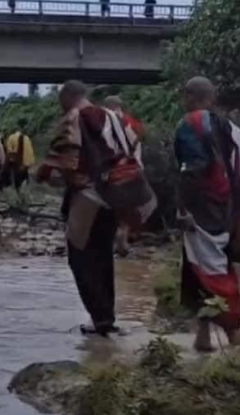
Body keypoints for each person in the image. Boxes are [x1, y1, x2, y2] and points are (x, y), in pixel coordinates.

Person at [37, 81, 157, 337]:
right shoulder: (118, 118)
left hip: (89, 197)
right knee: (103, 256)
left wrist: (44, 174)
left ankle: (100, 318)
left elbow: (65, 160)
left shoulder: (74, 117)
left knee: (80, 257)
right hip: (117, 198)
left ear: (67, 97)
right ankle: (107, 317)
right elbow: (135, 149)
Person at [174, 77, 240, 352]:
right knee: (197, 269)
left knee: (212, 271)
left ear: (189, 95)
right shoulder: (228, 127)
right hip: (228, 209)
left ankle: (237, 341)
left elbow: (192, 169)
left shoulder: (191, 122)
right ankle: (204, 337)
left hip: (203, 211)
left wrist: (183, 208)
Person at [103, 96, 144, 254]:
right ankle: (124, 236)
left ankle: (117, 238)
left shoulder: (102, 122)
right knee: (129, 208)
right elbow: (139, 141)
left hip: (110, 173)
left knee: (112, 209)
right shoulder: (132, 123)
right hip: (133, 171)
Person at [2, 118, 35, 192]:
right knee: (25, 181)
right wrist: (29, 164)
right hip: (26, 164)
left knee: (16, 182)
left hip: (16, 164)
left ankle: (17, 193)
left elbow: (9, 152)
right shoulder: (27, 138)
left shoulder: (11, 137)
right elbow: (31, 153)